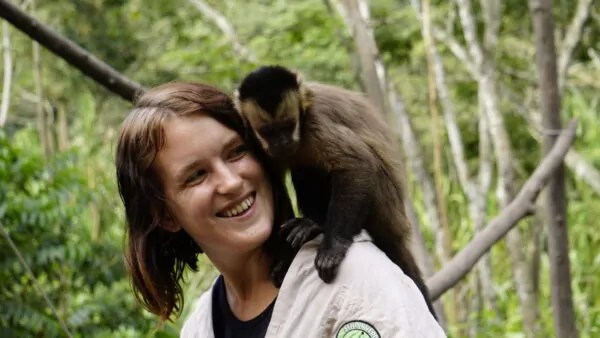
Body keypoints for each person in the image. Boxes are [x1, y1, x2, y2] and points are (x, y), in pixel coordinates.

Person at [115, 81, 446, 338]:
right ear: (165, 215)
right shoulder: (201, 326)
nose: (230, 182)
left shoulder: (359, 283)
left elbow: (356, 170)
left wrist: (335, 239)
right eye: (197, 175)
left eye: (236, 152)